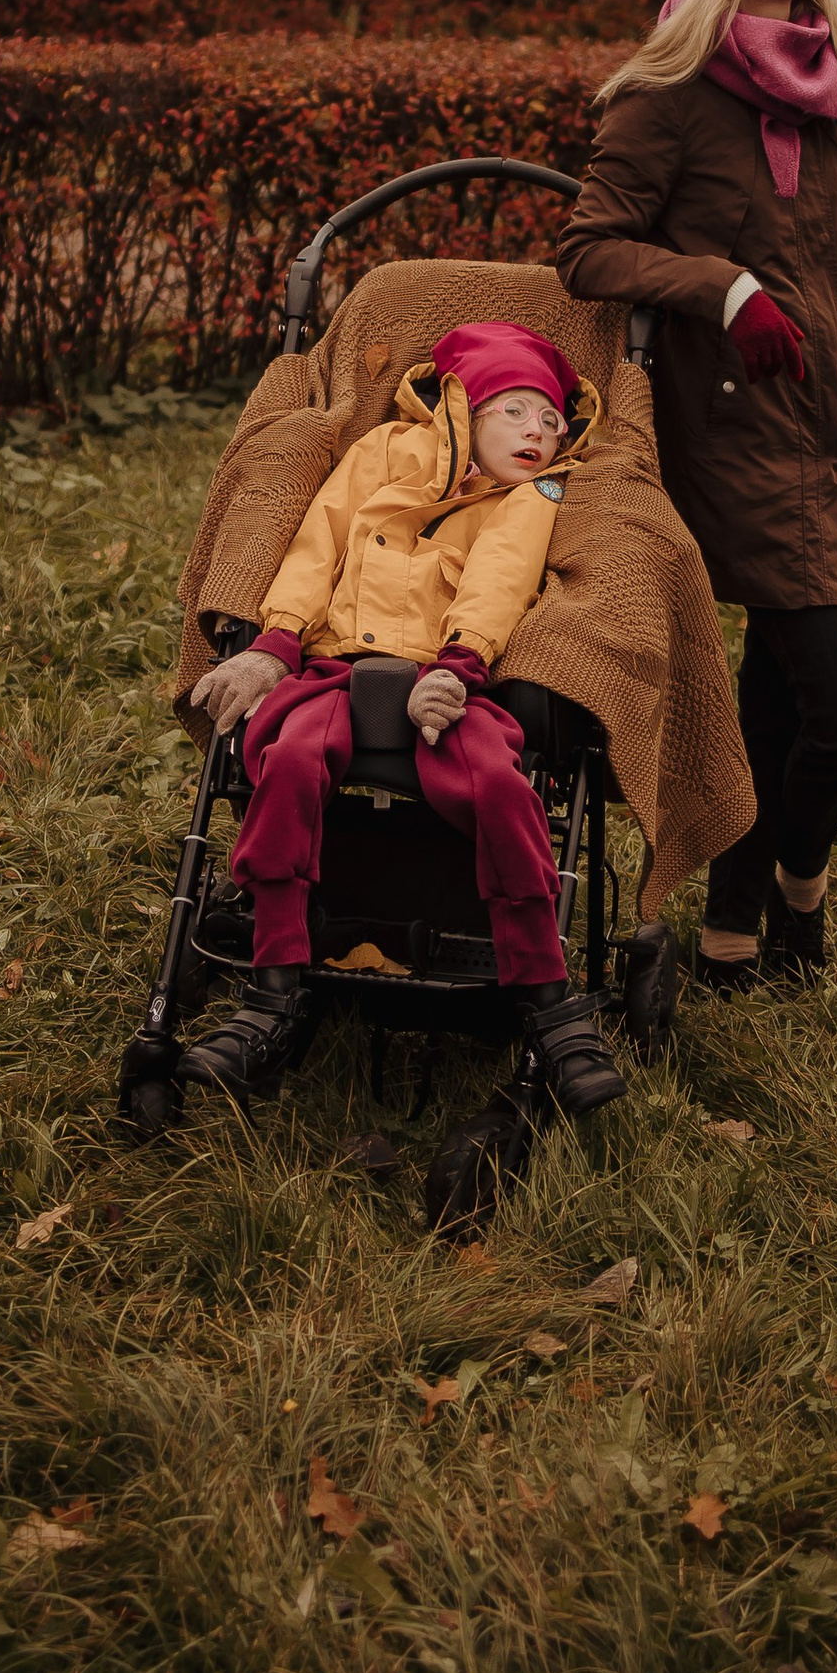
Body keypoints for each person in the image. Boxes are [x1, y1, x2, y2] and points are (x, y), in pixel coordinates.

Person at [556, 0, 837, 992]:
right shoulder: (663, 99)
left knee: (772, 701)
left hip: (829, 426)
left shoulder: (825, 82)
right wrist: (723, 286)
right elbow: (587, 250)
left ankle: (728, 939)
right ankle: (799, 888)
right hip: (735, 434)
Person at [177, 320, 624, 1114]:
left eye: (553, 421)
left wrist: (458, 666)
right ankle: (272, 989)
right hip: (333, 661)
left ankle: (548, 1000)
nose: (537, 432)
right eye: (517, 412)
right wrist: (275, 645)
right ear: (467, 409)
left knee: (500, 785)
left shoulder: (539, 492)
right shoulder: (384, 450)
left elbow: (502, 576)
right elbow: (319, 541)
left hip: (449, 676)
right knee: (287, 762)